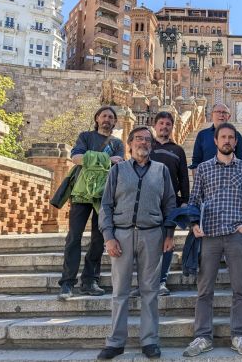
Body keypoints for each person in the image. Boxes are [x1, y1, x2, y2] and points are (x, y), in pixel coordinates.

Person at [96, 126, 177, 360]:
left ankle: (150, 340)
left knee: (150, 290)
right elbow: (106, 206)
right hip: (121, 236)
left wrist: (169, 234)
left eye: (147, 139)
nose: (144, 142)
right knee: (120, 291)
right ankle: (115, 342)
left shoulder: (161, 170)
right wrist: (108, 237)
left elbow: (170, 204)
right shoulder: (118, 170)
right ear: (130, 143)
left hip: (152, 235)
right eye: (139, 139)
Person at [183, 122, 242, 358]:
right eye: (223, 137)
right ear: (215, 141)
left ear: (236, 142)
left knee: (240, 287)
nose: (227, 140)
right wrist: (195, 225)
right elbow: (194, 201)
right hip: (210, 237)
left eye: (231, 137)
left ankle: (239, 334)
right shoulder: (205, 169)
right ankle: (202, 337)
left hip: (235, 236)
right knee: (205, 289)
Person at [58, 106, 124, 301]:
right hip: (81, 193)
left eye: (111, 117)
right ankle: (67, 283)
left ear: (114, 122)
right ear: (97, 118)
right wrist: (106, 159)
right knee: (73, 237)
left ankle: (89, 280)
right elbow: (76, 158)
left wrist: (95, 160)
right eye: (104, 116)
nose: (107, 119)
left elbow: (120, 162)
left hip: (105, 196)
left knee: (98, 239)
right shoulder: (86, 137)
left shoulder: (117, 143)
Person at [129, 111, 189, 298]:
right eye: (161, 123)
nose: (164, 127)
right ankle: (143, 283)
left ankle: (162, 281)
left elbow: (184, 177)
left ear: (172, 127)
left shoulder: (177, 150)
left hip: (170, 202)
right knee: (144, 244)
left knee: (167, 242)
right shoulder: (147, 146)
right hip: (147, 201)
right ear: (155, 126)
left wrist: (186, 200)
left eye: (168, 124)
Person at [190, 103, 242, 176]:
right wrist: (197, 183)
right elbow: (196, 162)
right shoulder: (202, 135)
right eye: (218, 112)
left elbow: (240, 161)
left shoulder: (236, 135)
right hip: (207, 179)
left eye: (224, 112)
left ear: (229, 116)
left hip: (230, 180)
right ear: (212, 115)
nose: (221, 114)